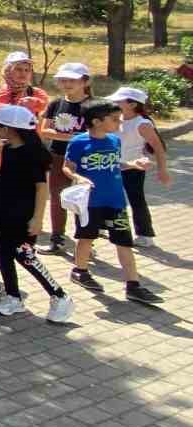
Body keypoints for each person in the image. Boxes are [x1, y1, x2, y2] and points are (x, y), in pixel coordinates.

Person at [65, 99, 162, 305]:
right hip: (90, 203)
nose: (120, 123)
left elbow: (115, 164)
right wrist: (78, 177)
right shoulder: (79, 142)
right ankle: (80, 271)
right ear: (97, 121)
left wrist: (134, 164)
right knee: (86, 238)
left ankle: (133, 286)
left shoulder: (114, 141)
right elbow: (67, 167)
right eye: (115, 119)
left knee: (123, 242)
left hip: (116, 201)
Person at [0, 106, 70, 319]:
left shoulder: (31, 154)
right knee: (3, 255)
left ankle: (59, 296)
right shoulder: (9, 147)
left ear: (9, 129)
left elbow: (42, 188)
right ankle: (13, 297)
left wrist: (37, 218)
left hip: (22, 215)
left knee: (25, 255)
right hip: (4, 211)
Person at [37, 62, 90, 254]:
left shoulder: (93, 105)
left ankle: (85, 241)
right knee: (57, 197)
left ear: (85, 81)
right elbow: (44, 130)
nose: (67, 84)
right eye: (63, 80)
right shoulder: (56, 104)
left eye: (73, 80)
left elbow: (100, 132)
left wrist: (74, 138)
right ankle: (57, 238)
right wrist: (72, 137)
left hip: (85, 159)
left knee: (82, 199)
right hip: (58, 155)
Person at [111, 86, 171, 245]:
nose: (115, 102)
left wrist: (162, 170)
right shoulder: (115, 118)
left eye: (119, 100)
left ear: (132, 104)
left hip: (134, 168)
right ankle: (106, 226)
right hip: (114, 165)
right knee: (109, 197)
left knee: (136, 199)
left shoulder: (142, 124)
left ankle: (145, 235)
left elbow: (158, 147)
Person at [0, 50, 49, 115]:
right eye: (18, 69)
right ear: (7, 71)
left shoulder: (38, 94)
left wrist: (36, 103)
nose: (23, 73)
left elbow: (47, 118)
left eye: (27, 70)